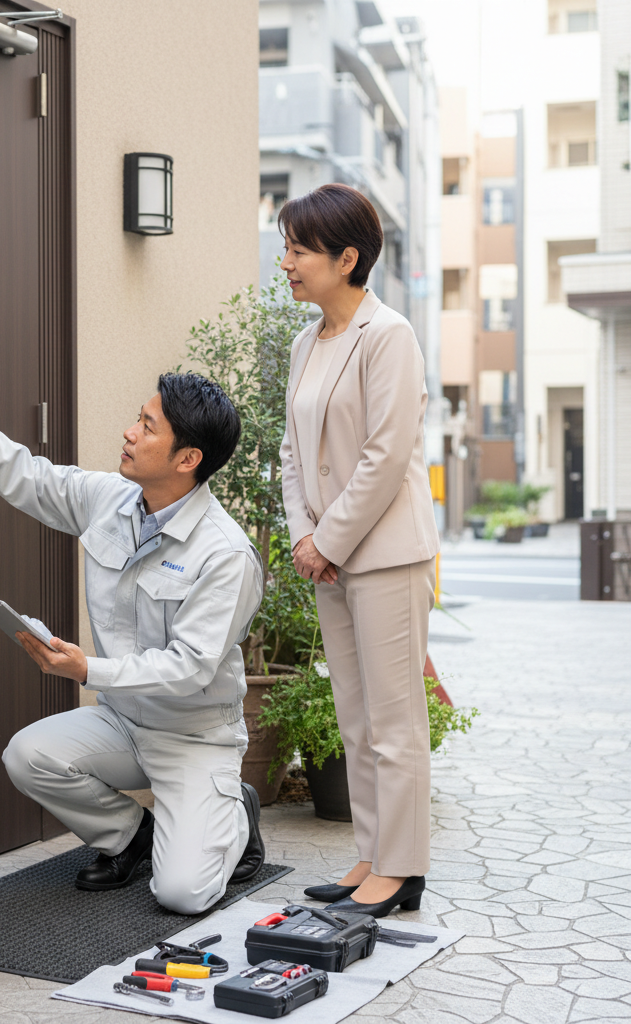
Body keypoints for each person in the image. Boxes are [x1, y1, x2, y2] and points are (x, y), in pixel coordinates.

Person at [0, 365, 266, 914]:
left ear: (188, 459)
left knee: (183, 895)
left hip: (193, 737)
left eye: (147, 426)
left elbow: (191, 667)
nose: (130, 433)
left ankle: (235, 813)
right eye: (138, 418)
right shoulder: (110, 498)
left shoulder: (225, 554)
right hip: (122, 722)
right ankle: (131, 839)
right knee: (28, 756)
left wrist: (89, 671)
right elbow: (29, 477)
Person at [277, 183, 440, 918]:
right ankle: (373, 855)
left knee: (396, 717)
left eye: (299, 249)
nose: (285, 262)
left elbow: (385, 453)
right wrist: (304, 538)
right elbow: (289, 452)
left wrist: (328, 539)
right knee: (356, 715)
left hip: (386, 553)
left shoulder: (389, 335)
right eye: (286, 247)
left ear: (347, 258)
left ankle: (402, 870)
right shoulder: (305, 343)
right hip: (330, 555)